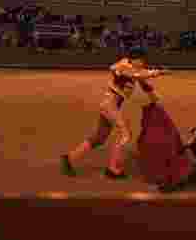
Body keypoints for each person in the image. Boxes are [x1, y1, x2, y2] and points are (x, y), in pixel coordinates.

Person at [61, 47, 169, 179]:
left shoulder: (134, 70)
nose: (143, 64)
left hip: (110, 105)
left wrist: (155, 99)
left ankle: (69, 159)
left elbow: (144, 83)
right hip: (110, 105)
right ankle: (113, 169)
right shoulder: (124, 66)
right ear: (134, 59)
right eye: (141, 60)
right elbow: (138, 75)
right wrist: (158, 72)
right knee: (125, 135)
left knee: (99, 138)